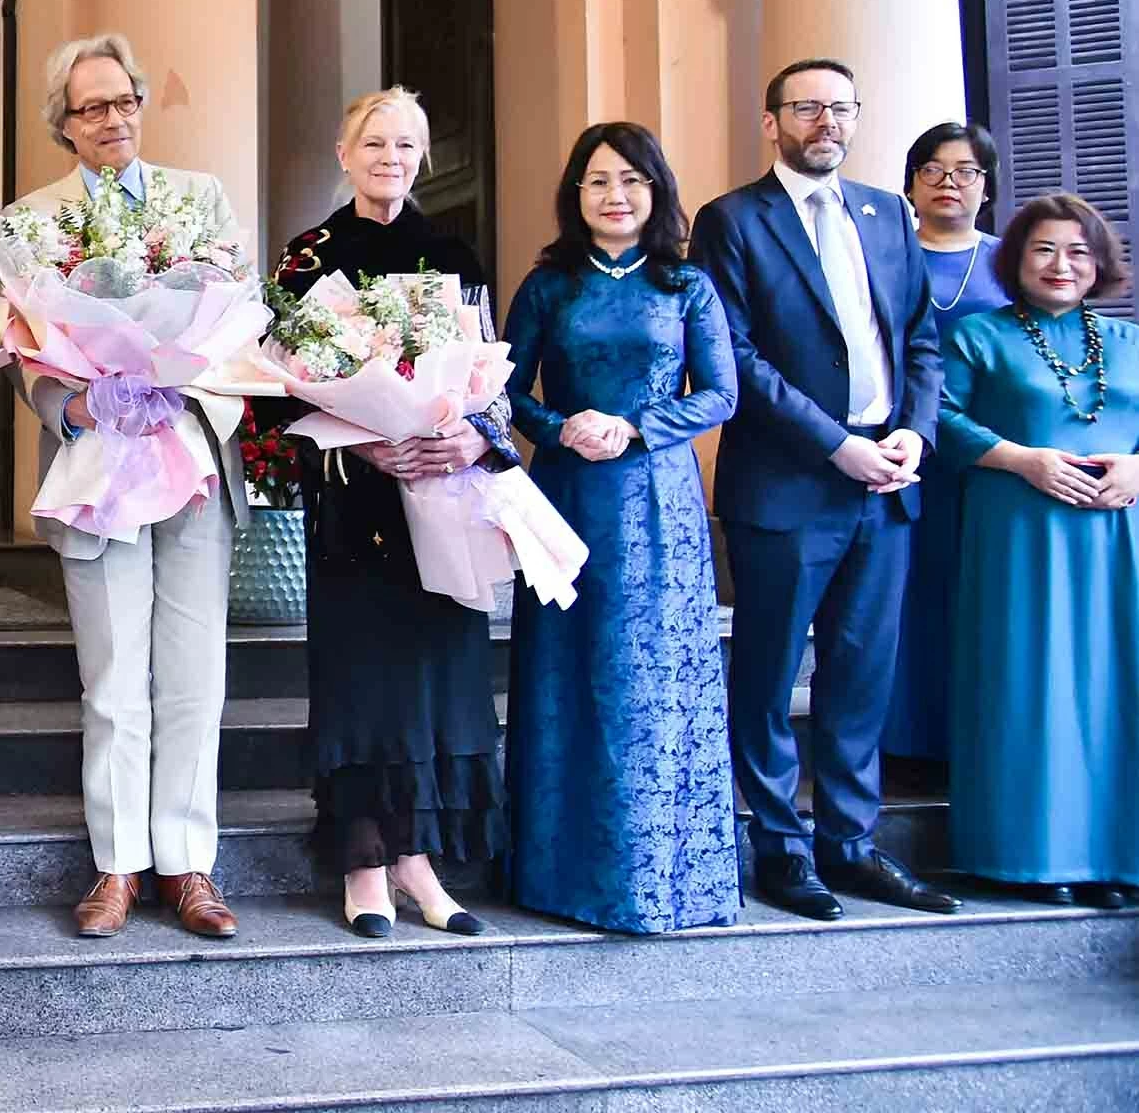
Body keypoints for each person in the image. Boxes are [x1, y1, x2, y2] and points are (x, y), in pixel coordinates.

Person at [687, 58, 956, 922]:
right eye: (807, 108)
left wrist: (914, 430)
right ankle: (780, 848)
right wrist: (837, 445)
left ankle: (851, 843)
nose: (826, 122)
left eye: (840, 107)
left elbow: (919, 338)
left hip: (888, 481)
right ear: (772, 123)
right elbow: (734, 356)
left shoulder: (888, 213)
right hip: (789, 482)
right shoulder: (733, 220)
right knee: (769, 675)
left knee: (861, 673)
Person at [4, 34, 247, 940]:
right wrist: (70, 406)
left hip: (190, 455)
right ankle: (118, 866)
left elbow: (238, 320)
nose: (114, 118)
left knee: (195, 673)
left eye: (125, 101)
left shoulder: (200, 198)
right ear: (63, 125)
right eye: (93, 107)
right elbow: (24, 348)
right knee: (111, 676)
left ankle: (187, 863)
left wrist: (185, 376)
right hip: (99, 462)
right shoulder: (30, 221)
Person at [277, 87, 508, 940]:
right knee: (364, 683)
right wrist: (361, 445)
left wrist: (473, 438)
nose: (391, 158)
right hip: (354, 503)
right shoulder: (310, 257)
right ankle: (365, 864)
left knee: (434, 679)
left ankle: (418, 862)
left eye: (407, 145)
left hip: (440, 495)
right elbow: (275, 396)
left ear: (423, 159)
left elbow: (489, 375)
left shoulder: (452, 251)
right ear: (345, 154)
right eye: (375, 142)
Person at [502, 122, 738, 934]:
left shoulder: (687, 285)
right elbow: (504, 392)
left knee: (653, 676)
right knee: (569, 672)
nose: (615, 195)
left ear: (657, 190)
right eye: (599, 181)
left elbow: (721, 394)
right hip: (568, 493)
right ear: (575, 194)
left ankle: (664, 878)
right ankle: (561, 878)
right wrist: (559, 426)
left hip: (659, 500)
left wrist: (637, 426)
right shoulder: (549, 286)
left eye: (632, 180)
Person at [940, 195, 1139, 908]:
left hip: (1118, 539)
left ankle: (1115, 856)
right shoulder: (979, 335)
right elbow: (938, 416)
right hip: (1019, 531)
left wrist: (1137, 467)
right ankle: (1028, 854)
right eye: (1044, 249)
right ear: (1016, 259)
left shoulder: (1128, 339)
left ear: (1100, 263)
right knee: (1030, 682)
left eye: (1078, 251)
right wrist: (1021, 459)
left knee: (1118, 686)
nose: (1062, 264)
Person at [881, 121, 1006, 773]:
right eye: (932, 169)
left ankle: (981, 737)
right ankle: (909, 741)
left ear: (987, 185)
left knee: (982, 594)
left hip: (992, 456)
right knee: (908, 593)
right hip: (905, 448)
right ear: (911, 184)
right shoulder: (885, 257)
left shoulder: (1014, 260)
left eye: (965, 171)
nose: (948, 183)